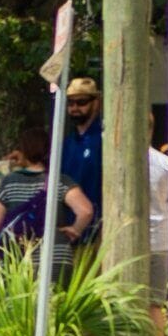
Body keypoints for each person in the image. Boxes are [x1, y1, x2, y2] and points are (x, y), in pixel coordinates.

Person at [59, 79, 105, 246]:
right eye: (70, 102)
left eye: (82, 102)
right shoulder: (67, 143)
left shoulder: (104, 140)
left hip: (97, 233)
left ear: (96, 102)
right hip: (68, 231)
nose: (75, 108)